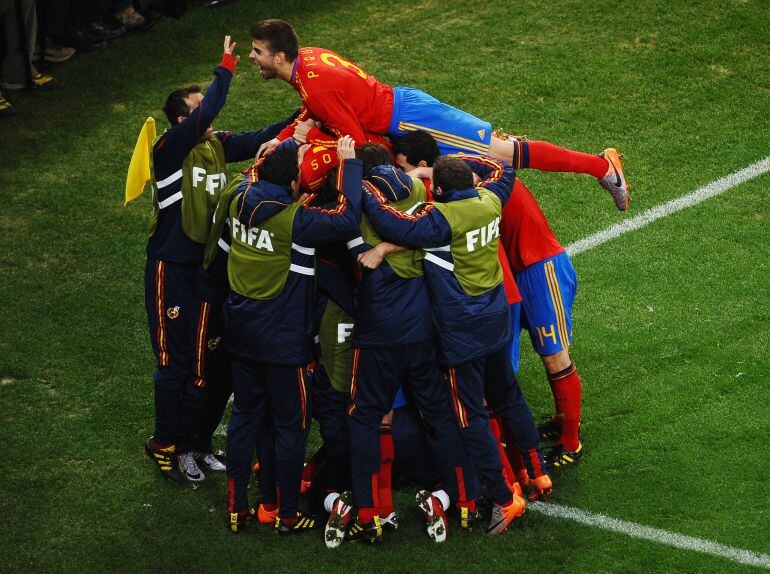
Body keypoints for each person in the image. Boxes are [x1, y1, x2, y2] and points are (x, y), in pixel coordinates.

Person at [246, 18, 630, 212]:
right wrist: (281, 138)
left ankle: (602, 168)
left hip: (410, 120)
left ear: (280, 56)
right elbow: (316, 105)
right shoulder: (308, 60)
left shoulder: (315, 85)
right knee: (492, 157)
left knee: (504, 154)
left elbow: (359, 147)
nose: (252, 57)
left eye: (258, 52)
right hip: (401, 112)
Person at [359, 153, 552, 536]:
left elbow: (392, 224)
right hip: (496, 322)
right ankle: (537, 473)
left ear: (441, 190)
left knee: (470, 417)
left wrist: (364, 187)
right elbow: (503, 169)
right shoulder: (492, 199)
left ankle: (502, 497)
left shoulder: (440, 221)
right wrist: (450, 160)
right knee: (509, 397)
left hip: (463, 334)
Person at [143, 36, 294, 484]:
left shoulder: (214, 145)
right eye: (199, 107)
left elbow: (260, 138)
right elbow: (210, 111)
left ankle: (198, 444)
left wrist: (300, 119)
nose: (209, 112)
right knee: (175, 364)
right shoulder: (170, 149)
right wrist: (225, 67)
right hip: (170, 269)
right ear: (183, 120)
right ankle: (164, 444)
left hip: (207, 272)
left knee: (210, 363)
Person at [386, 130, 586, 468]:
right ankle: (553, 428)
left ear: (425, 168)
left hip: (539, 265)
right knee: (507, 372)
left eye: (405, 168)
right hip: (513, 273)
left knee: (554, 356)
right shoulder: (467, 179)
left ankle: (571, 441)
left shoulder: (464, 189)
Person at [220, 136, 363, 535]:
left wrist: (285, 145)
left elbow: (249, 175)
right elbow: (348, 218)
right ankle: (284, 513)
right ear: (294, 186)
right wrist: (349, 165)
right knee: (290, 427)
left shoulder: (238, 199)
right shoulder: (296, 222)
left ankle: (239, 506)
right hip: (284, 345)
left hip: (242, 337)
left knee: (246, 420)